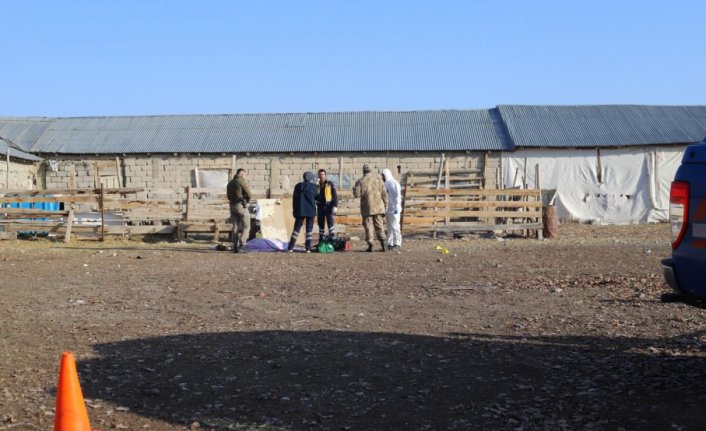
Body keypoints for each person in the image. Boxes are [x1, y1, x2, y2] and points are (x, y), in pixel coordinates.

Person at [353, 164, 388, 252]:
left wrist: (354, 189)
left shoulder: (360, 181)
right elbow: (384, 194)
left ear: (363, 171)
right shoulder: (379, 179)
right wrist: (385, 205)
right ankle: (384, 245)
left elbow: (357, 195)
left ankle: (371, 246)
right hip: (379, 207)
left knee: (369, 227)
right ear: (371, 170)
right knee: (379, 226)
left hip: (367, 208)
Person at [288, 171, 318, 253]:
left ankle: (290, 247)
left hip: (300, 210)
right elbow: (317, 198)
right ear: (311, 178)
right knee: (309, 230)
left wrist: (294, 210)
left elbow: (294, 200)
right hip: (311, 211)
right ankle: (308, 248)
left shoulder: (298, 186)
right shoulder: (314, 187)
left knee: (296, 229)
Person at [226, 168, 251, 253]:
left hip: (232, 206)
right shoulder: (241, 181)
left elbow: (228, 197)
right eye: (245, 175)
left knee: (235, 226)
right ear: (242, 174)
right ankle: (242, 245)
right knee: (247, 226)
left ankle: (235, 246)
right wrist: (247, 201)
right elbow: (249, 194)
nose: (245, 177)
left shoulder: (229, 183)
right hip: (240, 205)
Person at [382, 168, 402, 249]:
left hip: (394, 209)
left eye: (383, 176)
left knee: (396, 227)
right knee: (389, 228)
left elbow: (398, 196)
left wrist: (397, 207)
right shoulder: (385, 184)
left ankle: (397, 243)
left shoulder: (394, 183)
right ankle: (390, 243)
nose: (382, 177)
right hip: (388, 209)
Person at [316, 169, 338, 241]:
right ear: (318, 175)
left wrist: (335, 205)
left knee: (330, 223)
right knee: (321, 224)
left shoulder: (329, 184)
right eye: (320, 174)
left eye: (323, 174)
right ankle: (321, 239)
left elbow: (334, 195)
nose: (321, 176)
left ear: (325, 175)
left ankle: (332, 239)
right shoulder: (316, 185)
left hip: (329, 207)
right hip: (320, 207)